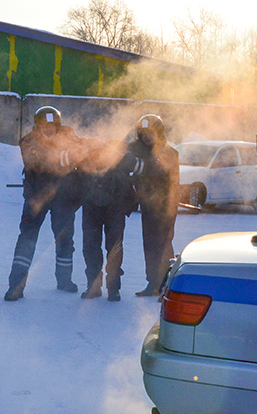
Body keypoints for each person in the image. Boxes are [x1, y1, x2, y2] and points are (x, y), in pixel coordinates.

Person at [4, 106, 84, 301]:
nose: (49, 130)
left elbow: (82, 152)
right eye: (44, 127)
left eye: (52, 126)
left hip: (63, 198)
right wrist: (65, 157)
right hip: (36, 198)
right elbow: (39, 161)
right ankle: (16, 286)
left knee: (65, 240)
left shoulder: (69, 136)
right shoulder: (28, 142)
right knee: (27, 240)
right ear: (37, 126)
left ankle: (64, 280)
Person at [76, 136, 138, 301]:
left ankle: (113, 288)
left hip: (114, 211)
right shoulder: (85, 161)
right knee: (90, 247)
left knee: (114, 249)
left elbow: (136, 165)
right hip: (91, 210)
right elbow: (73, 178)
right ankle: (94, 286)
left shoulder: (122, 160)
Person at [128, 114, 179, 296]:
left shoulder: (168, 152)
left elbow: (155, 169)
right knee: (149, 245)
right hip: (149, 207)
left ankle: (166, 286)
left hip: (165, 207)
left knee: (163, 246)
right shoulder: (139, 151)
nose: (147, 137)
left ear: (159, 132)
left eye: (151, 133)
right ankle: (152, 284)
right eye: (143, 134)